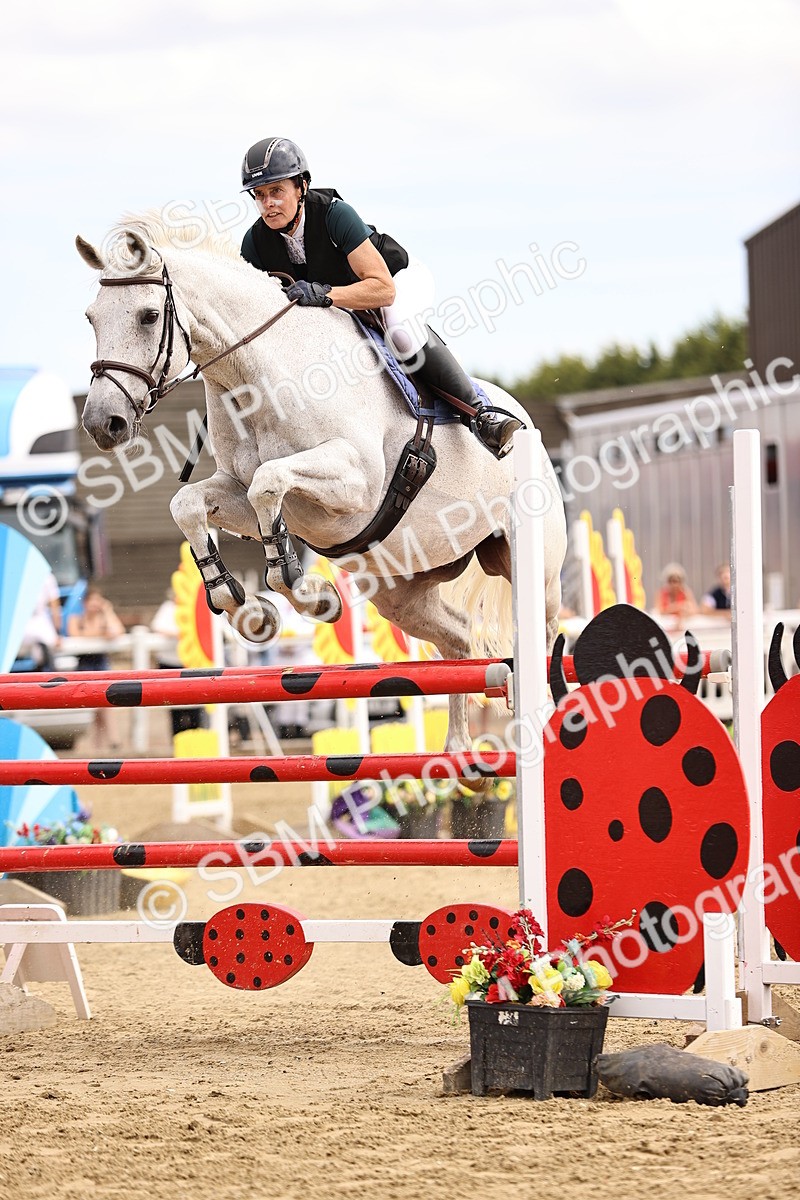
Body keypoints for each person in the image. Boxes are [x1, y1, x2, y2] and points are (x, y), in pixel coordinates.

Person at [239, 136, 523, 458]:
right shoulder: (255, 243)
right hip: (345, 306)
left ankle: (482, 415)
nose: (268, 203)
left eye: (277, 191)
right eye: (259, 195)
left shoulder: (335, 215)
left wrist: (325, 293)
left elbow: (383, 290)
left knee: (400, 329)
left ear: (301, 187)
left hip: (395, 280)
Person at [67, 587, 125, 751]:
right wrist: (100, 634)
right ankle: (111, 739)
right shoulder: (76, 619)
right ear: (85, 603)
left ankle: (100, 744)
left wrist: (108, 611)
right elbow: (74, 635)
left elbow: (118, 631)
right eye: (92, 601)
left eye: (98, 601)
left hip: (101, 664)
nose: (95, 604)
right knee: (95, 703)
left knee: (104, 701)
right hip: (85, 666)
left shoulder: (103, 619)